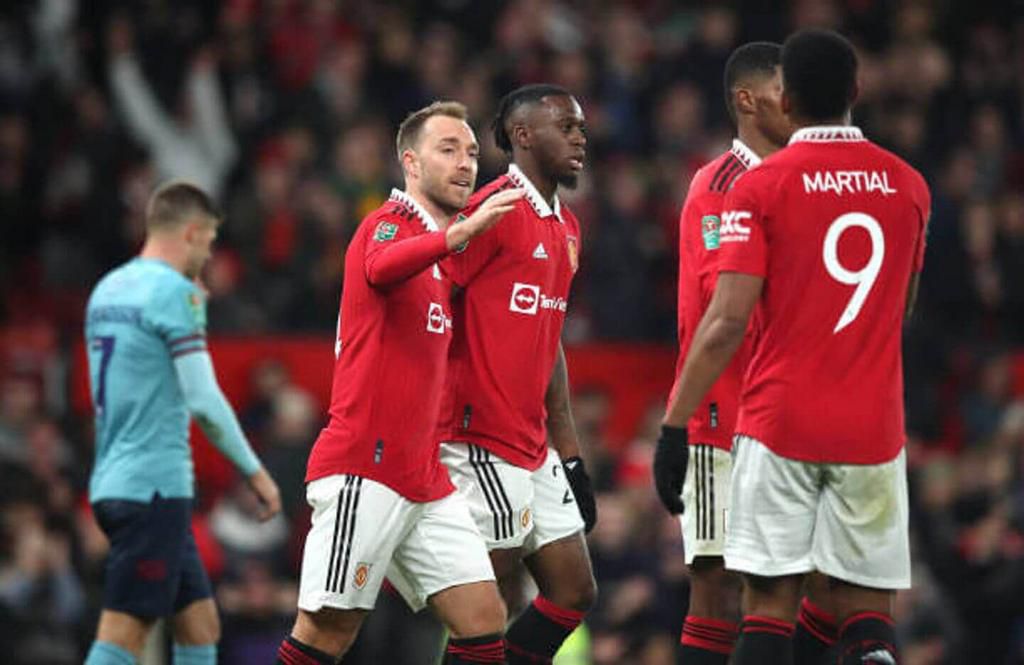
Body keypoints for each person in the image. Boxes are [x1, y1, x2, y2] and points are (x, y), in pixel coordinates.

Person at [660, 29, 930, 665]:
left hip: (775, 418)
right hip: (850, 422)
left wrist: (671, 422)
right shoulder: (908, 184)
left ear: (788, 100)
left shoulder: (765, 186)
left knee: (772, 599)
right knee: (852, 603)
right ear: (857, 92)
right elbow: (901, 308)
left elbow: (726, 317)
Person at [275, 101, 523, 665]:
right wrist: (460, 234)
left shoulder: (437, 262)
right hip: (366, 464)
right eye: (448, 150)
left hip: (424, 476)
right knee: (326, 632)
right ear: (410, 163)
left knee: (484, 621)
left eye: (472, 153)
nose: (466, 164)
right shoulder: (388, 224)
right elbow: (381, 266)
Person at [83, 180, 282, 665]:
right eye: (210, 243)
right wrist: (256, 473)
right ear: (192, 233)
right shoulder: (175, 292)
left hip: (114, 480)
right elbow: (204, 399)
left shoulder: (107, 289)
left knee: (199, 625)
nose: (208, 257)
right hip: (153, 488)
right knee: (122, 635)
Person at [437, 84, 598, 664]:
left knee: (574, 591)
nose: (580, 137)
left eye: (581, 127)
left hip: (532, 442)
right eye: (566, 126)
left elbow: (549, 340)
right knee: (487, 605)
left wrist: (571, 452)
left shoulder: (567, 227)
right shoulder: (491, 210)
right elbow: (432, 301)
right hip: (477, 435)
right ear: (523, 135)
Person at [653, 41, 800, 664]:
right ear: (747, 99)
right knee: (715, 580)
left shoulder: (800, 179)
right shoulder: (718, 184)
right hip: (721, 411)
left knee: (797, 583)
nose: (797, 106)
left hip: (787, 412)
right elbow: (724, 300)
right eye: (783, 93)